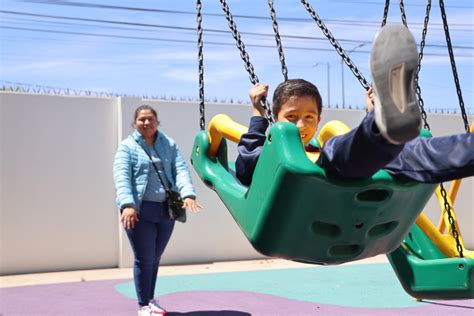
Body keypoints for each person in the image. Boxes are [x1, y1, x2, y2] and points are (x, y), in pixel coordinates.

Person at [236, 25, 473, 186]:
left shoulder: (318, 150)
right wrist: (258, 115)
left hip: (350, 196)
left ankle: (383, 124)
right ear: (274, 118)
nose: (301, 124)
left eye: (309, 117)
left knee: (410, 152)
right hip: (315, 193)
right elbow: (245, 169)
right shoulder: (270, 155)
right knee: (337, 151)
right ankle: (379, 127)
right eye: (291, 117)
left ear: (319, 120)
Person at [113, 105, 202, 316]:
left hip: (165, 211)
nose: (146, 123)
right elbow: (121, 176)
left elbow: (180, 169)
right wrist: (127, 205)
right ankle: (143, 305)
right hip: (139, 211)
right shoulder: (127, 147)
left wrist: (188, 194)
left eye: (150, 119)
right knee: (144, 258)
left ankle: (150, 300)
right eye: (141, 119)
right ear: (135, 123)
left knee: (154, 257)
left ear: (157, 122)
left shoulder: (168, 144)